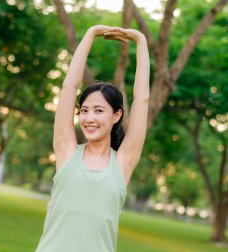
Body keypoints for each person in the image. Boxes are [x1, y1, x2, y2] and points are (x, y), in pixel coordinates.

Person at [35, 25, 150, 252]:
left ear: (116, 115)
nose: (89, 118)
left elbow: (142, 99)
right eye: (84, 110)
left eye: (99, 111)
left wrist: (141, 41)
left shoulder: (123, 162)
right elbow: (69, 87)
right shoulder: (66, 150)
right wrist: (91, 33)